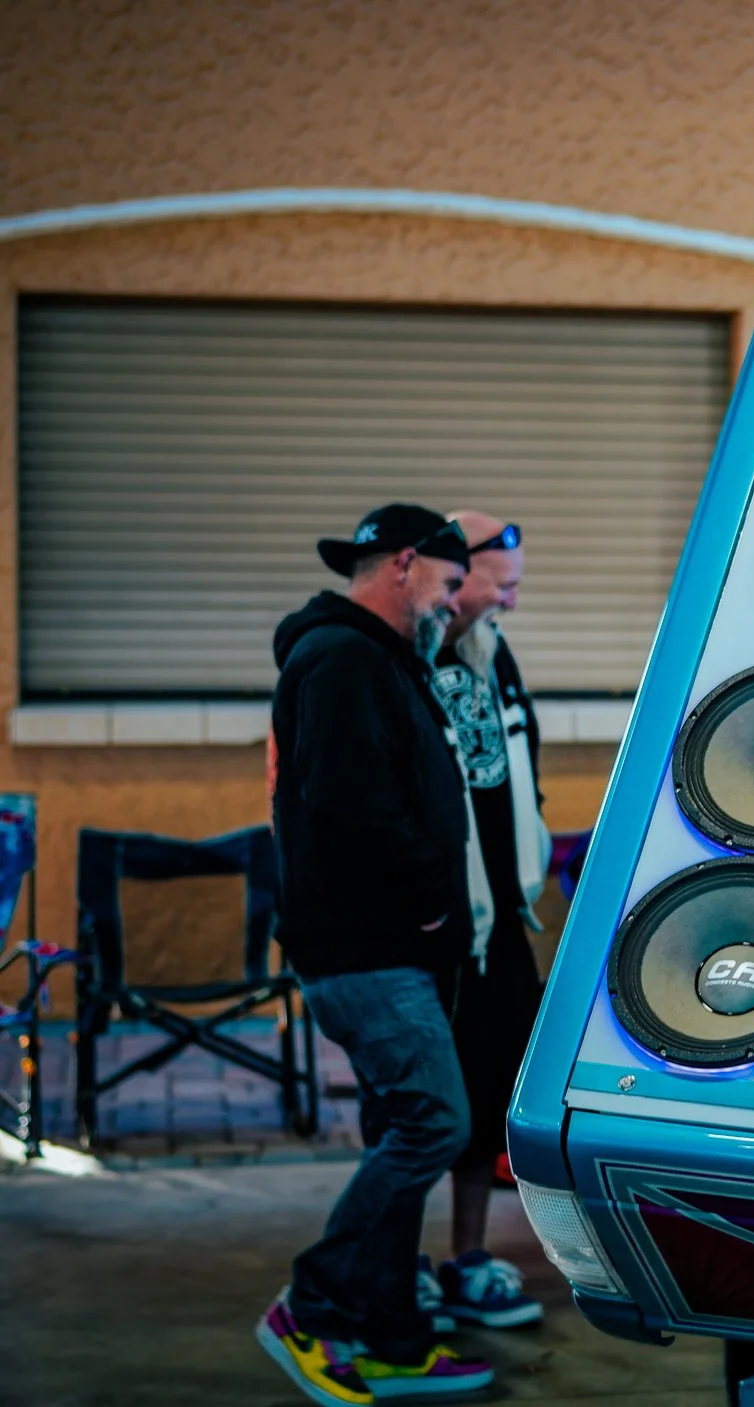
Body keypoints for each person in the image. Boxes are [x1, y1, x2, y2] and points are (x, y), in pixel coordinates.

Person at [258, 505, 497, 1405]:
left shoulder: (375, 658)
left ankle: (391, 1335)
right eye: (448, 582)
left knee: (406, 1128)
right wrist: (428, 899)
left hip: (389, 944)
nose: (454, 602)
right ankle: (314, 1305)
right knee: (435, 1124)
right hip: (367, 949)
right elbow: (351, 807)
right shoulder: (342, 659)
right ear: (403, 564)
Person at [414, 511, 552, 1332]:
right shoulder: (405, 659)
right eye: (504, 587)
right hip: (432, 929)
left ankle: (466, 1255)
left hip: (499, 918)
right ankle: (398, 1265)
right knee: (420, 1108)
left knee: (489, 1089)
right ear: (455, 576)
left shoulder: (492, 653)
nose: (512, 603)